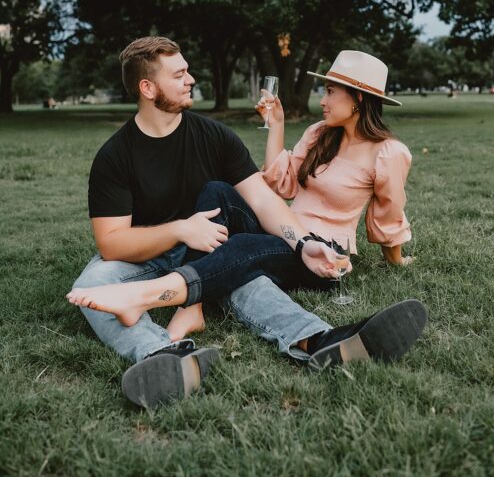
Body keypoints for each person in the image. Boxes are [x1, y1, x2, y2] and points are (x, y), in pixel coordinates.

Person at [66, 37, 427, 409]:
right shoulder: (114, 156)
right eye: (180, 74)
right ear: (148, 87)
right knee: (91, 285)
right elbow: (111, 244)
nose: (191, 79)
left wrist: (302, 244)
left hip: (213, 243)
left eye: (188, 70)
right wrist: (180, 229)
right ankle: (161, 356)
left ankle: (320, 341)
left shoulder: (214, 137)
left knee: (238, 259)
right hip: (154, 253)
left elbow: (263, 199)